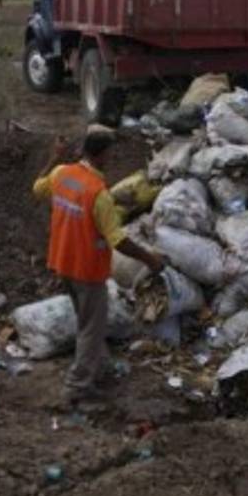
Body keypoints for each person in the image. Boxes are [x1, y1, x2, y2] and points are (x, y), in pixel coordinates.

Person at [33, 127, 165, 403]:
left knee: (87, 321)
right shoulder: (98, 193)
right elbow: (118, 240)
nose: (112, 157)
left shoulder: (62, 174)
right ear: (103, 154)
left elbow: (37, 188)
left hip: (62, 262)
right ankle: (77, 386)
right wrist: (150, 259)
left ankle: (99, 367)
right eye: (110, 153)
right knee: (91, 329)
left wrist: (53, 158)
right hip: (88, 269)